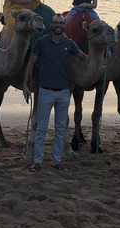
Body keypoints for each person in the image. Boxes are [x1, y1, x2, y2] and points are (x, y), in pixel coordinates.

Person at [22, 14, 87, 172]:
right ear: (50, 24)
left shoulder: (69, 44)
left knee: (60, 128)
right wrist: (25, 84)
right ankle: (37, 161)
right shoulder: (41, 42)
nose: (58, 25)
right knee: (41, 128)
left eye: (61, 23)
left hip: (64, 92)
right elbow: (31, 62)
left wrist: (100, 64)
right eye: (56, 22)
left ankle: (57, 160)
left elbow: (84, 57)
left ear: (64, 25)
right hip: (45, 91)